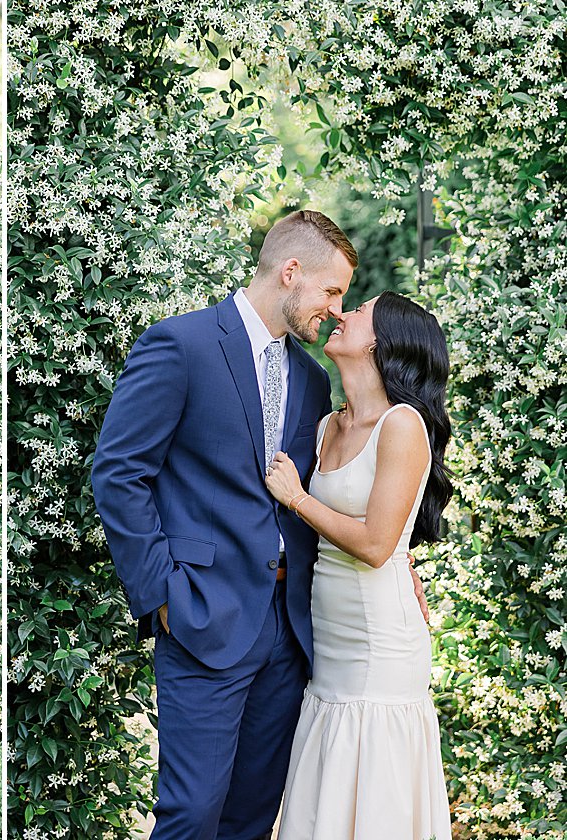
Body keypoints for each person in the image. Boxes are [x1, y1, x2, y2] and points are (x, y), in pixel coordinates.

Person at [91, 210, 426, 840]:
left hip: (291, 630)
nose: (335, 308)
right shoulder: (181, 344)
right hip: (200, 613)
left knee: (252, 816)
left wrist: (400, 552)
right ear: (291, 273)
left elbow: (319, 493)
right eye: (331, 291)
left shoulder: (308, 378)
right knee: (191, 812)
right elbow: (117, 472)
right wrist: (161, 591)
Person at [265, 291, 453, 839]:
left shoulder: (403, 425)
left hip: (381, 644)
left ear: (383, 342)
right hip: (330, 640)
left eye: (360, 311)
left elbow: (375, 545)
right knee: (328, 782)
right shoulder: (327, 426)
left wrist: (298, 498)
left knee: (373, 790)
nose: (341, 314)